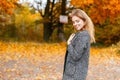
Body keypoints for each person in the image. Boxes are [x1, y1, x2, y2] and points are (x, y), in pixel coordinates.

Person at [62, 9, 95, 80]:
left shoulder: (83, 35)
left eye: (77, 21)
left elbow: (76, 56)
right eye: (73, 22)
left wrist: (69, 44)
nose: (75, 24)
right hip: (72, 73)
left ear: (84, 21)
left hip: (74, 75)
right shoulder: (80, 34)